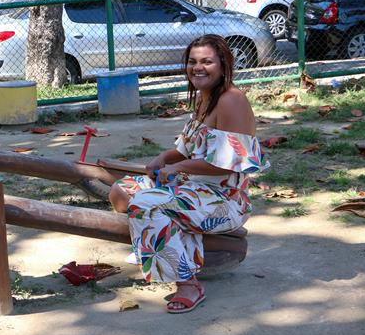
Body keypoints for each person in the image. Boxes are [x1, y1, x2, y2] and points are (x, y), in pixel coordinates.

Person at [109, 34, 269, 313]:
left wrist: (177, 168)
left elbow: (226, 164)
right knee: (122, 192)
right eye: (193, 62)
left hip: (225, 200)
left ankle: (187, 284)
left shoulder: (231, 100)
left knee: (148, 205)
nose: (198, 67)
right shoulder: (204, 98)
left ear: (223, 64)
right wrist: (161, 159)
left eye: (207, 61)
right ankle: (162, 243)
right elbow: (184, 151)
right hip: (193, 188)